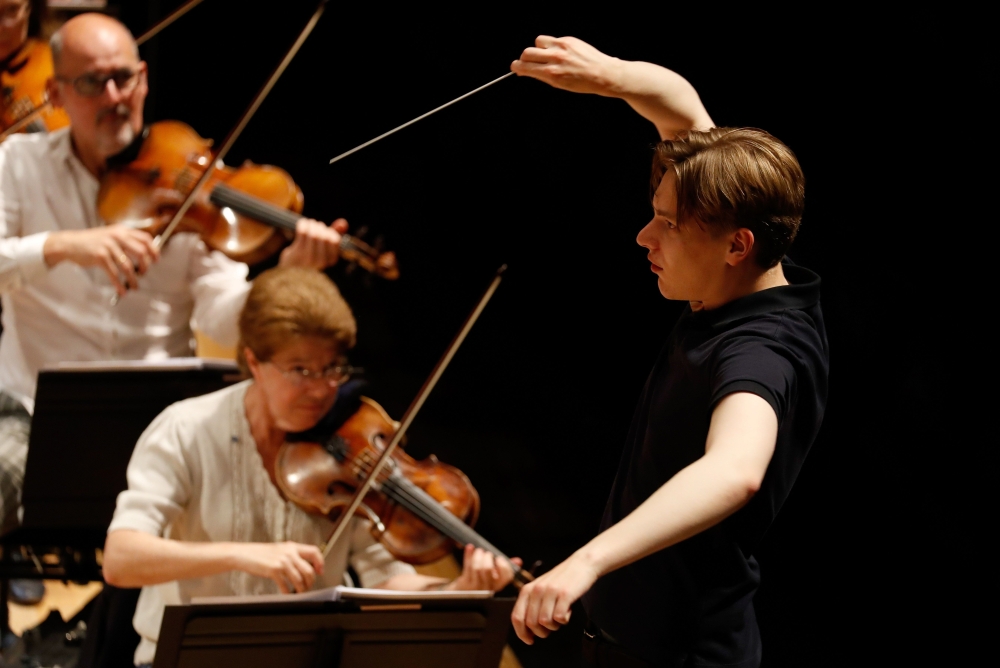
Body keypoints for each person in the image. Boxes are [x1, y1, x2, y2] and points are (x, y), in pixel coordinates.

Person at [508, 37, 829, 667]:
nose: (643, 235)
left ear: (736, 246)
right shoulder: (744, 241)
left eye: (667, 223)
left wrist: (588, 561)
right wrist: (609, 75)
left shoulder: (763, 352)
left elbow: (735, 470)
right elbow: (681, 105)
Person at [0, 13, 344, 538]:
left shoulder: (193, 180)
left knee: (248, 512)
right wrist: (63, 246)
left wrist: (285, 276)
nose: (114, 97)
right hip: (37, 412)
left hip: (164, 418)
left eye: (125, 78)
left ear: (144, 78)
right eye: (93, 83)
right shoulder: (19, 165)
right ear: (55, 91)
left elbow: (225, 321)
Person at [102, 267, 518, 666]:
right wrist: (244, 556)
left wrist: (458, 589)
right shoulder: (186, 429)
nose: (321, 390)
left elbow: (386, 579)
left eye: (332, 369)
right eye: (300, 371)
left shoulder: (350, 448)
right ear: (254, 362)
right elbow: (122, 558)